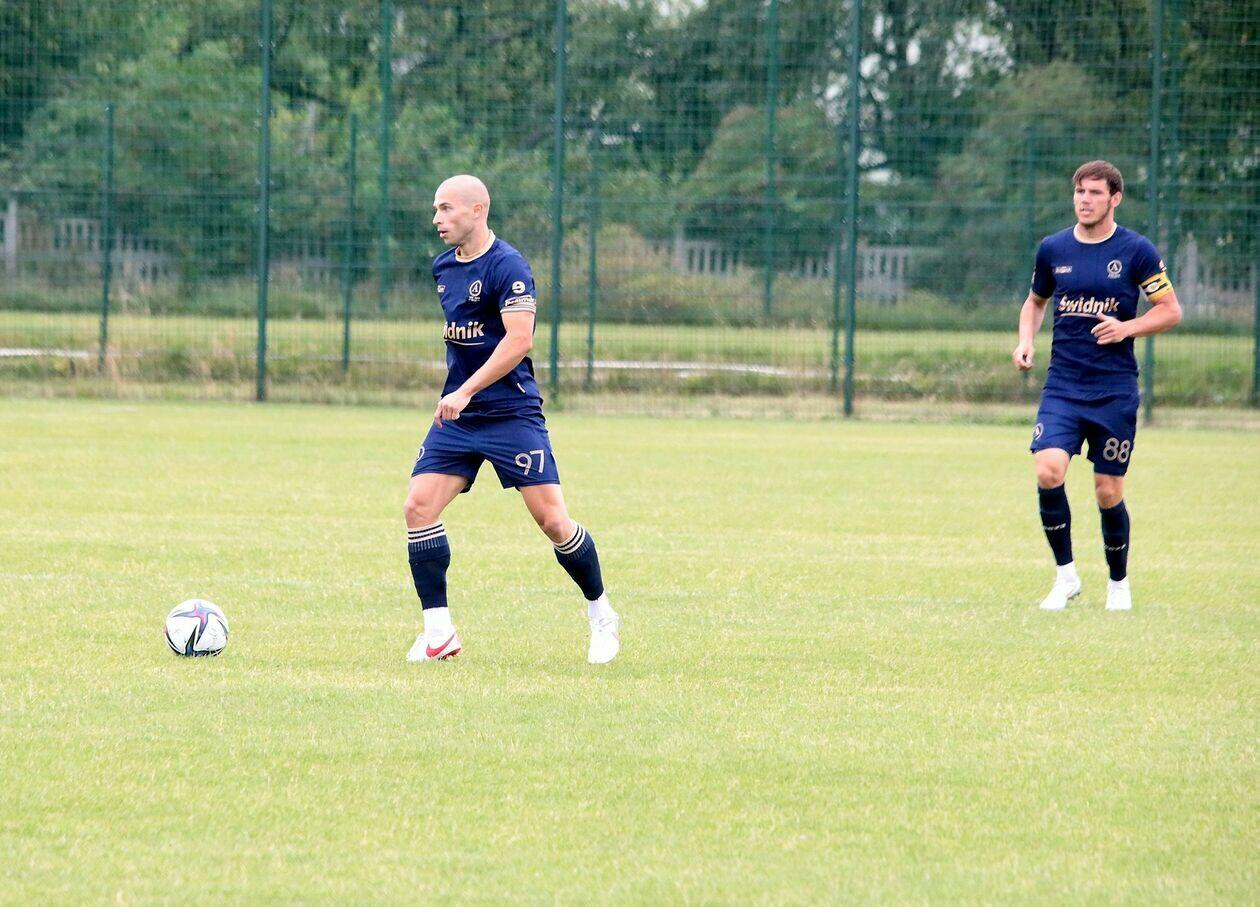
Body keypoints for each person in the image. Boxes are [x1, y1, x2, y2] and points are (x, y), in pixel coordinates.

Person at [403, 174, 620, 663]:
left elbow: (519, 340)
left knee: (553, 522)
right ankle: (439, 633)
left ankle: (602, 614)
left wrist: (465, 390)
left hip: (510, 413)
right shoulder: (443, 267)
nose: (437, 218)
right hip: (460, 415)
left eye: (446, 208)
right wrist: (461, 394)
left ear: (477, 210)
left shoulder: (509, 266)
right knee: (418, 508)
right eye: (436, 209)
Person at [1012, 160, 1181, 611]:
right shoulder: (1053, 248)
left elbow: (1170, 310)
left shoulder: (1137, 250)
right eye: (1079, 192)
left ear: (1115, 198)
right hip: (1063, 386)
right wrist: (1026, 341)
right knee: (1048, 470)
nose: (1084, 200)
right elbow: (1035, 302)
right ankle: (1066, 576)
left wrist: (1127, 328)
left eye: (1094, 193)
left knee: (1108, 490)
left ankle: (1118, 583)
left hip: (1114, 390)